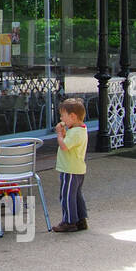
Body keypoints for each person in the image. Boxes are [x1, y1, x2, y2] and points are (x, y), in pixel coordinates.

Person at [52, 97, 89, 232]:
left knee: (66, 196)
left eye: (63, 115)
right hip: (77, 169)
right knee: (76, 195)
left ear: (72, 116)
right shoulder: (80, 130)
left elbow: (64, 146)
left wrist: (59, 135)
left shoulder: (75, 132)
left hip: (70, 169)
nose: (61, 118)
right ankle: (80, 219)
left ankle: (69, 221)